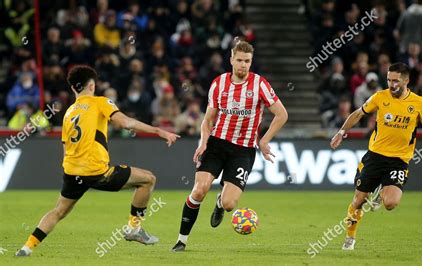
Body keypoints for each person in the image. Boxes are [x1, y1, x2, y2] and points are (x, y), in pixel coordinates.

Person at [15, 65, 180, 256]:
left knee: (58, 211)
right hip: (96, 171)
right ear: (92, 86)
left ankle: (26, 247)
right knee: (148, 179)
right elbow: (127, 123)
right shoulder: (100, 102)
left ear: (73, 88)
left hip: (72, 171)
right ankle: (134, 229)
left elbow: (65, 146)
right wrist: (159, 131)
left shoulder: (69, 113)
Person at [330, 62, 422, 251]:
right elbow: (358, 114)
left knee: (390, 204)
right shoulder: (380, 97)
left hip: (399, 161)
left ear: (406, 81)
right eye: (389, 80)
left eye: (396, 81)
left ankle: (380, 191)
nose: (392, 85)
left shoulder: (418, 103)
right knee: (358, 200)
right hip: (375, 156)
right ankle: (350, 237)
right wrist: (341, 132)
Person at [171, 40, 288, 252]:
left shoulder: (260, 84)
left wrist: (264, 140)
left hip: (243, 150)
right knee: (199, 190)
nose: (243, 65)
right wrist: (204, 142)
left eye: (248, 61)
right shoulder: (219, 84)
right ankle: (181, 240)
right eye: (240, 60)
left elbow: (281, 114)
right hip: (217, 143)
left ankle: (219, 203)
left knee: (229, 205)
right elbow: (208, 120)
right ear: (232, 59)